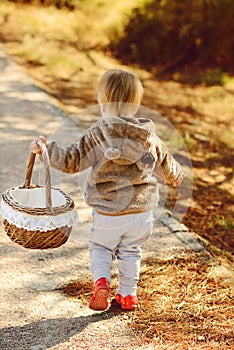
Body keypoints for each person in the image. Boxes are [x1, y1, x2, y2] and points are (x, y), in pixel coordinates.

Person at [30, 69, 184, 311]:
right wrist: (176, 176)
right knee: (131, 250)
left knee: (101, 247)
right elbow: (167, 164)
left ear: (103, 101)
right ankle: (127, 295)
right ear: (135, 103)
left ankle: (102, 282)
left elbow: (71, 159)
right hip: (142, 212)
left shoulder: (98, 133)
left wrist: (46, 150)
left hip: (108, 211)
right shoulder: (149, 135)